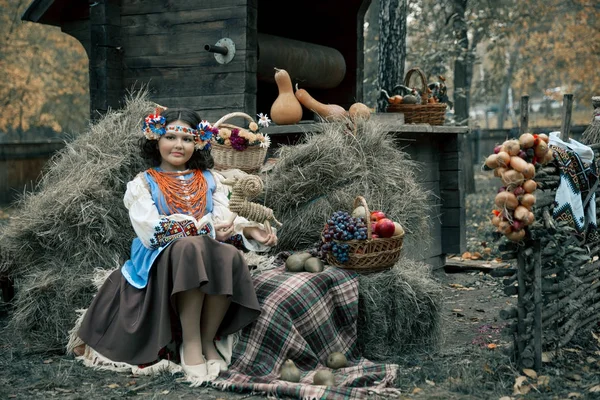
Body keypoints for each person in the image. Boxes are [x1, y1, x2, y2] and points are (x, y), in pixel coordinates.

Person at [76, 107, 277, 382]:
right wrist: (203, 228)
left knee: (229, 254)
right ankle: (190, 343)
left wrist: (250, 231)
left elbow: (223, 221)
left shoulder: (209, 180)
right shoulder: (143, 183)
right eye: (170, 137)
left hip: (201, 249)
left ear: (198, 143)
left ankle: (208, 339)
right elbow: (152, 231)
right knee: (190, 247)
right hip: (162, 254)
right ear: (156, 139)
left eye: (187, 139)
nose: (178, 145)